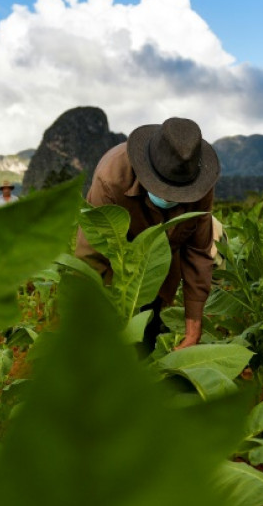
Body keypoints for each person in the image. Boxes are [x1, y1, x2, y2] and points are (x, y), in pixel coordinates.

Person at [75, 117, 220, 352]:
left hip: (159, 270)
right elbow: (92, 256)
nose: (170, 198)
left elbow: (197, 253)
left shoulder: (198, 184)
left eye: (177, 193)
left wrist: (193, 329)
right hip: (117, 268)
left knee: (145, 339)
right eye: (163, 188)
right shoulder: (111, 180)